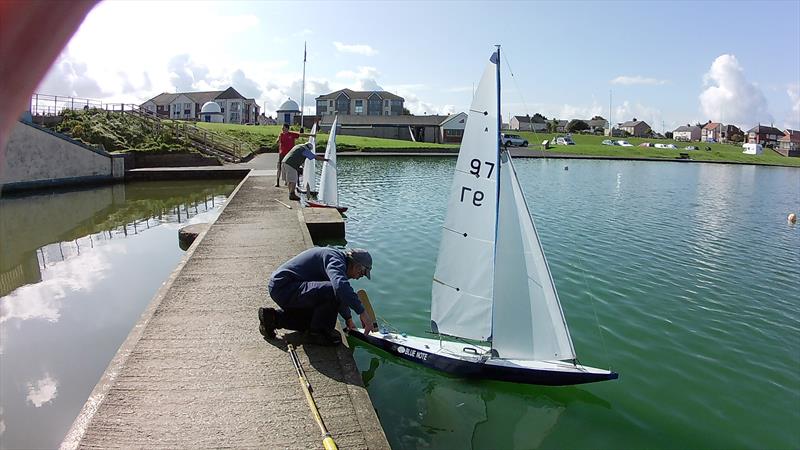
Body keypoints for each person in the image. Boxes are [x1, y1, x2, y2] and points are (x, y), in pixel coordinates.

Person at [260, 247, 376, 346]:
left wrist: (348, 319)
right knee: (332, 290)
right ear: (357, 267)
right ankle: (320, 334)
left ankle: (273, 318)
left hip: (287, 289)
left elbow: (340, 292)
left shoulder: (337, 262)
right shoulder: (335, 259)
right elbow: (339, 287)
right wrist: (362, 312)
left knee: (312, 321)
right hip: (284, 288)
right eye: (361, 274)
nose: (358, 277)